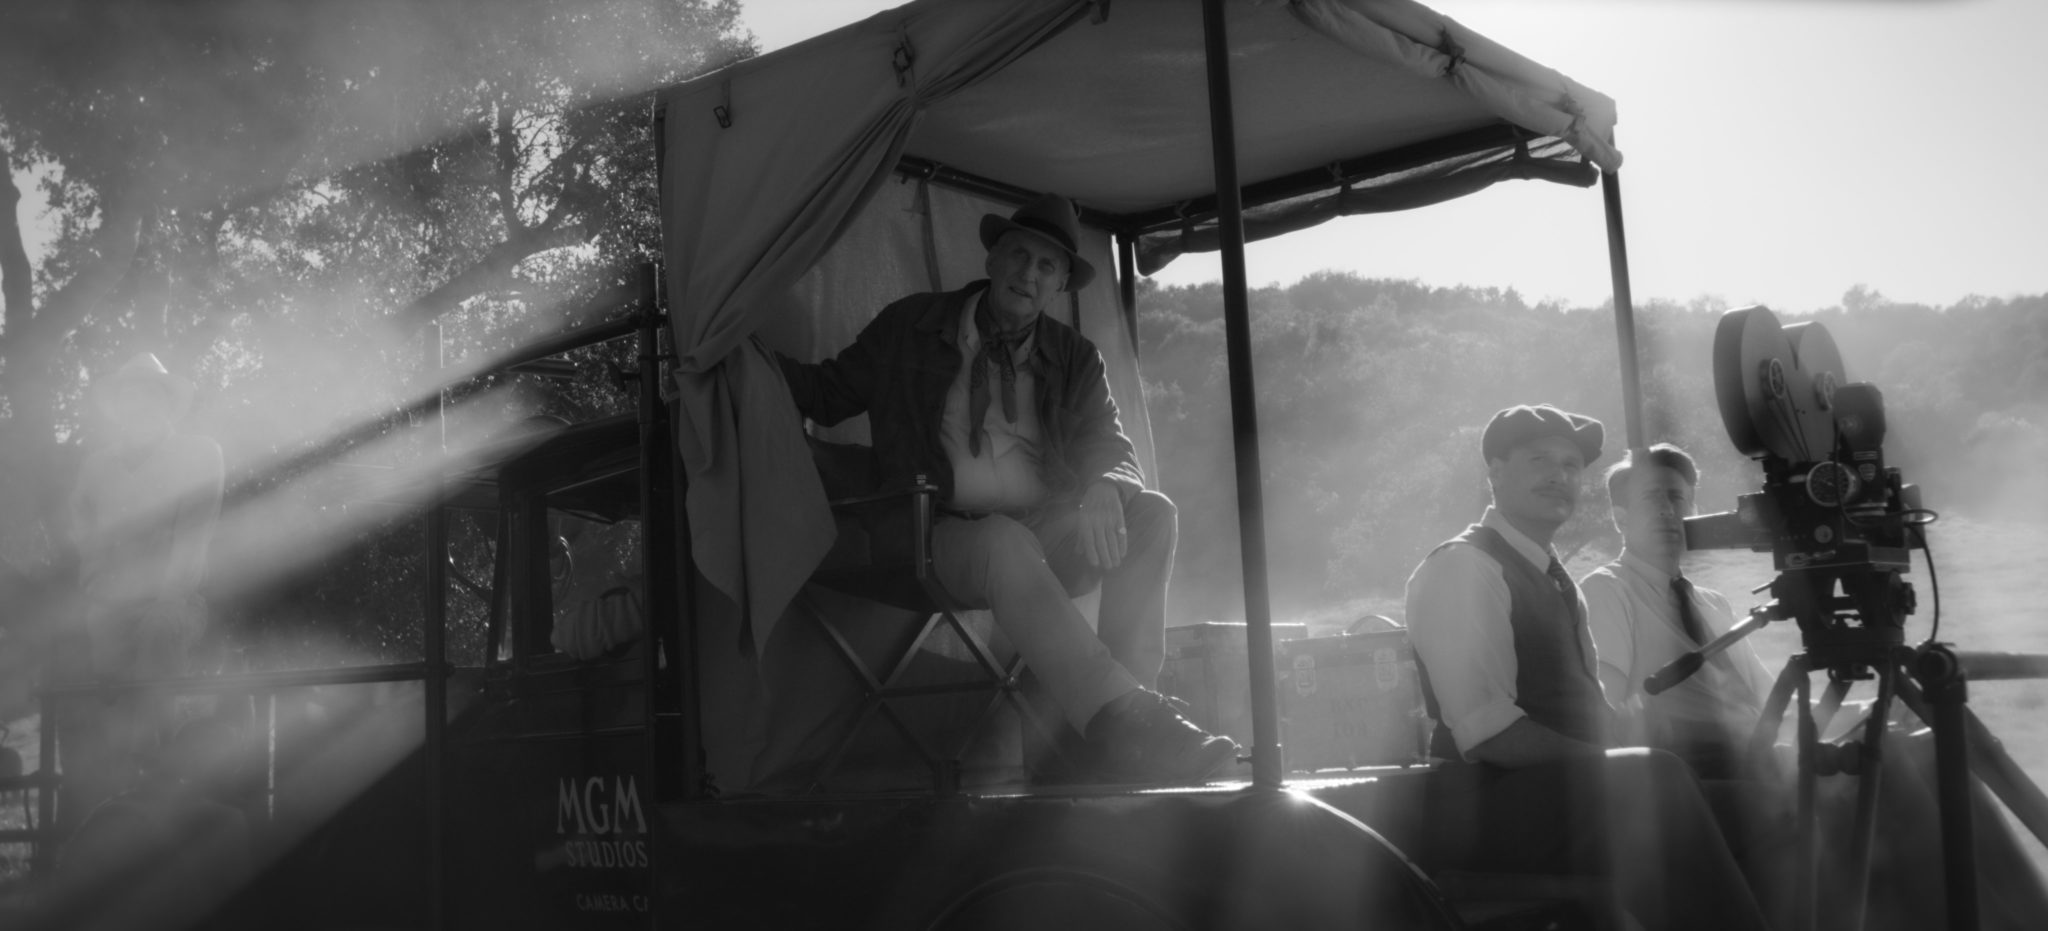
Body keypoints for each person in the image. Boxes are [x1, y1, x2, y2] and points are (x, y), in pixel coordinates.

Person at [776, 193, 1234, 783]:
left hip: (1044, 531)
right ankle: (1126, 723)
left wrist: (1107, 485)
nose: (1029, 274)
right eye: (1019, 256)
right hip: (932, 532)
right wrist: (733, 357)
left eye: (1047, 266)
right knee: (1001, 539)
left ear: (1061, 285)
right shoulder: (910, 326)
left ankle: (1127, 723)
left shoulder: (1075, 357)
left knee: (1152, 514)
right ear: (992, 259)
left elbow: (1111, 445)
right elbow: (825, 394)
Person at [1402, 404, 1768, 931]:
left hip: (1560, 793)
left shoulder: (1554, 577)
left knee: (1767, 797)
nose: (1559, 476)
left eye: (1571, 466)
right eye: (1540, 460)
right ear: (1495, 473)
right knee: (1654, 778)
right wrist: (1615, 756)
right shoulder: (1465, 566)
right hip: (1488, 808)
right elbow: (1489, 735)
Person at [59, 352, 224, 836]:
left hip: (176, 600)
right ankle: (91, 802)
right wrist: (97, 586)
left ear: (167, 403)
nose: (137, 406)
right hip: (108, 603)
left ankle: (154, 770)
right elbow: (83, 531)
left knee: (157, 636)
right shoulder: (96, 466)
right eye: (128, 397)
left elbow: (193, 536)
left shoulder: (200, 454)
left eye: (149, 396)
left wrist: (166, 596)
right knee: (80, 663)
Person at [1581, 443, 1773, 777]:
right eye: (1651, 498)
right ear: (1620, 518)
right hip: (1693, 772)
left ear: (1694, 511)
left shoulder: (1714, 603)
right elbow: (1609, 712)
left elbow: (1773, 700)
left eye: (1677, 498)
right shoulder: (1607, 590)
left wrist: (1860, 711)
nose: (1667, 510)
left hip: (1761, 758)